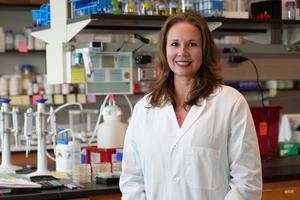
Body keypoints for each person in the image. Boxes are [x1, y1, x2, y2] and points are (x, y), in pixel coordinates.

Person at [119, 11, 262, 200]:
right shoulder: (144, 109)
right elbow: (132, 181)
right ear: (164, 50)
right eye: (174, 44)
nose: (182, 52)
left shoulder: (230, 103)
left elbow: (247, 182)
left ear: (205, 50)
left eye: (192, 44)